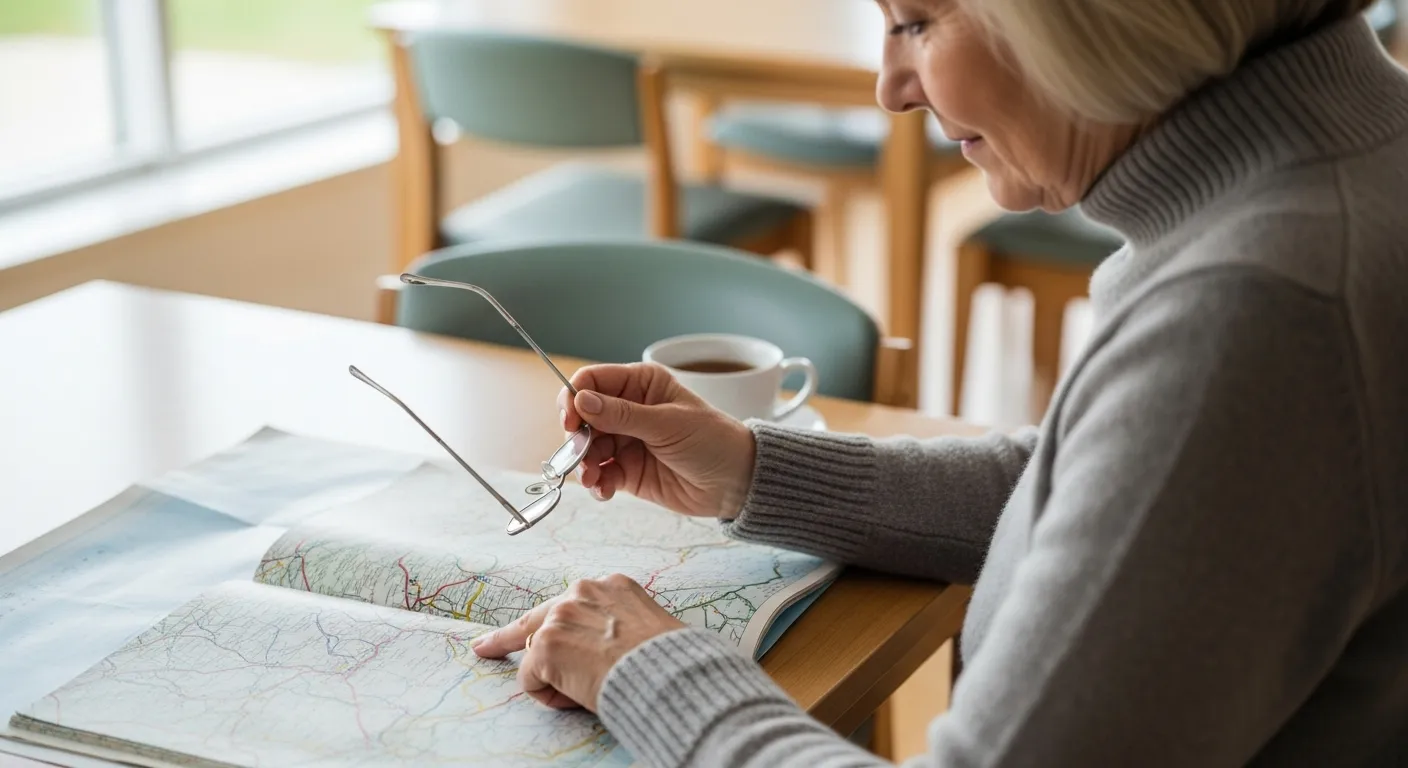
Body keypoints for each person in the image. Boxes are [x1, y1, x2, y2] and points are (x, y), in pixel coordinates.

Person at [472, 0, 1408, 764]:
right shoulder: (1346, 163)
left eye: (916, 21)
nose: (890, 88)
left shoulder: (1257, 310)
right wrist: (755, 470)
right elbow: (1114, 489)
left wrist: (649, 670)